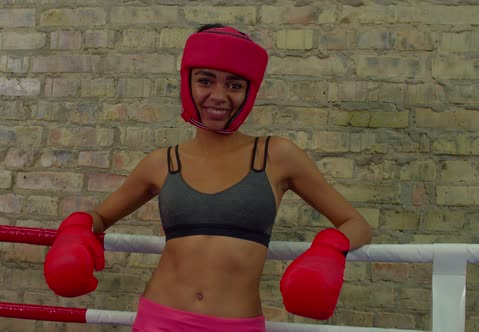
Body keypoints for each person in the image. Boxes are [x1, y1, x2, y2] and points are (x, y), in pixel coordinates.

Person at [43, 24, 373, 331]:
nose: (218, 95)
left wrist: (329, 248)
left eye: (234, 84)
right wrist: (75, 229)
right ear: (188, 83)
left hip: (235, 324)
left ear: (249, 91)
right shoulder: (162, 162)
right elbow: (100, 216)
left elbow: (355, 223)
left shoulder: (276, 155)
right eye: (205, 80)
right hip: (160, 318)